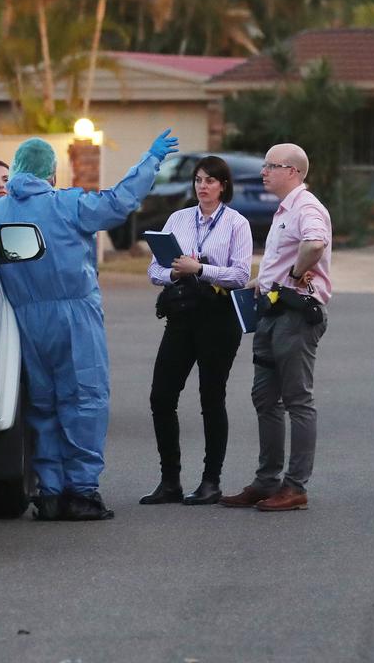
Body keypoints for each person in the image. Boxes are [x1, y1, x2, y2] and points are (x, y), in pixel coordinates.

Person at [0, 130, 179, 521]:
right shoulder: (68, 204)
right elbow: (120, 201)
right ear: (51, 173)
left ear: (15, 170)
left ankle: (49, 493)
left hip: (25, 319)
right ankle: (82, 492)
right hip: (73, 314)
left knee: (43, 403)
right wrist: (150, 161)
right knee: (84, 399)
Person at [219, 143, 331, 513]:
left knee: (298, 400)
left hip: (294, 316)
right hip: (271, 312)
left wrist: (295, 276)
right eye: (264, 164)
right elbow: (285, 257)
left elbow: (315, 244)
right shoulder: (285, 210)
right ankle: (267, 481)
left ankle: (295, 486)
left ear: (294, 172)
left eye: (272, 166)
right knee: (265, 398)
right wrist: (261, 282)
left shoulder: (307, 207)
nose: (264, 171)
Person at [140, 156, 253, 506]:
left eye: (211, 180)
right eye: (199, 180)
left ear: (223, 186)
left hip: (218, 316)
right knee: (161, 395)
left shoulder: (237, 223)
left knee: (211, 397)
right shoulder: (178, 219)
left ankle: (210, 481)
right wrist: (174, 272)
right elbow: (154, 269)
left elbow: (240, 275)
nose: (203, 186)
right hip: (182, 312)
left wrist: (200, 268)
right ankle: (169, 479)